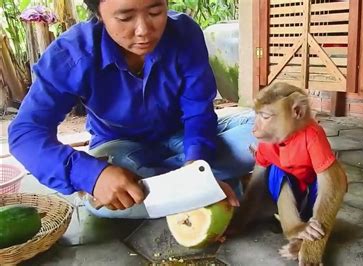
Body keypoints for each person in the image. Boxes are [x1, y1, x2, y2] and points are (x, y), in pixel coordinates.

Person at [8, 0, 255, 219]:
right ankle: (206, 184)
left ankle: (177, 185)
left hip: (183, 135)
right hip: (122, 147)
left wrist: (196, 164)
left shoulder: (185, 33)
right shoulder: (72, 54)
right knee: (107, 200)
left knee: (262, 134)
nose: (143, 30)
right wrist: (91, 175)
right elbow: (25, 133)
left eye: (156, 11)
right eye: (125, 17)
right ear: (98, 13)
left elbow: (198, 112)